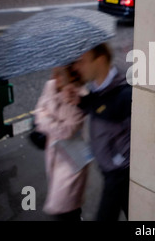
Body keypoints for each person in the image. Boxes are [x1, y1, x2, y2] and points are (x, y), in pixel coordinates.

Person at [67, 42, 132, 221]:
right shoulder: (97, 89)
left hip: (118, 173)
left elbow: (109, 108)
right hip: (107, 168)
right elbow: (101, 105)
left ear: (100, 60)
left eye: (82, 61)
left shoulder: (124, 94)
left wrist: (85, 102)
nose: (77, 67)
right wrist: (81, 101)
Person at [34, 65, 89, 221]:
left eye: (61, 74)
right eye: (56, 73)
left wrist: (45, 120)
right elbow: (39, 109)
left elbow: (67, 131)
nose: (56, 78)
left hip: (73, 159)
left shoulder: (79, 95)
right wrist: (49, 121)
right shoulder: (50, 86)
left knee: (63, 205)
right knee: (67, 205)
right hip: (53, 155)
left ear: (71, 75)